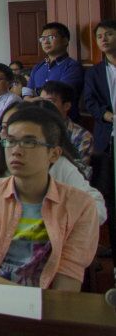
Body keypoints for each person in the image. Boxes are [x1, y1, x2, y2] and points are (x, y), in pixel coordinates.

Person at [0, 106, 99, 289]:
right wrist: (17, 295)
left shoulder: (80, 206)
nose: (16, 150)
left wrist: (30, 301)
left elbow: (68, 277)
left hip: (44, 301)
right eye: (10, 141)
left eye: (29, 142)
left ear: (54, 154)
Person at [0, 101, 106, 223]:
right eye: (5, 128)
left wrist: (55, 221)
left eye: (27, 140)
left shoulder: (59, 165)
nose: (10, 135)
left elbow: (97, 208)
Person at [83, 19, 116, 232]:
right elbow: (90, 102)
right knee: (110, 193)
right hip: (107, 139)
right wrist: (108, 116)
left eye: (109, 34)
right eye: (99, 36)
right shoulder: (94, 72)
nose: (103, 39)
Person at [26, 22, 83, 110]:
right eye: (43, 39)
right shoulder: (38, 67)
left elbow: (60, 96)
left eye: (51, 37)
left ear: (65, 41)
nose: (46, 42)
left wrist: (35, 99)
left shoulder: (72, 67)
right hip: (38, 115)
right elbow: (27, 96)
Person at [39, 80, 93, 160]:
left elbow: (79, 167)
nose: (43, 105)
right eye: (41, 101)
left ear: (66, 106)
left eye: (50, 102)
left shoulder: (81, 136)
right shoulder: (33, 129)